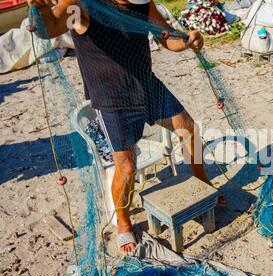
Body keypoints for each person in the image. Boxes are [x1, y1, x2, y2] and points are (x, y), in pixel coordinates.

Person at [27, 0, 225, 255]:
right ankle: (123, 223)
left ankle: (203, 183)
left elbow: (167, 37)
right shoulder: (82, 6)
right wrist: (40, 9)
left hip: (147, 85)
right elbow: (50, 26)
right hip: (111, 100)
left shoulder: (143, 4)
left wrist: (187, 41)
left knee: (189, 129)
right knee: (126, 166)